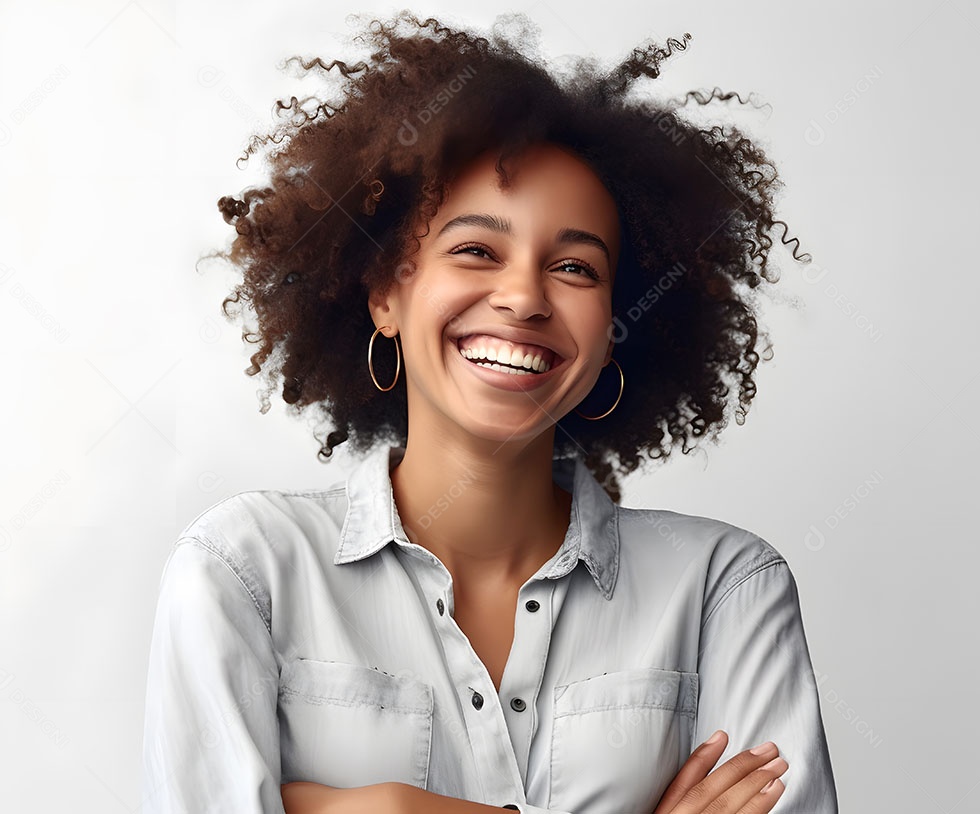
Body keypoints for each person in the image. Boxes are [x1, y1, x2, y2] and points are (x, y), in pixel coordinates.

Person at [141, 11, 838, 814]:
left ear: (616, 329)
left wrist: (366, 809)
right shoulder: (242, 574)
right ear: (384, 294)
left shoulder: (725, 590)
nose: (522, 298)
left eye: (575, 266)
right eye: (475, 249)